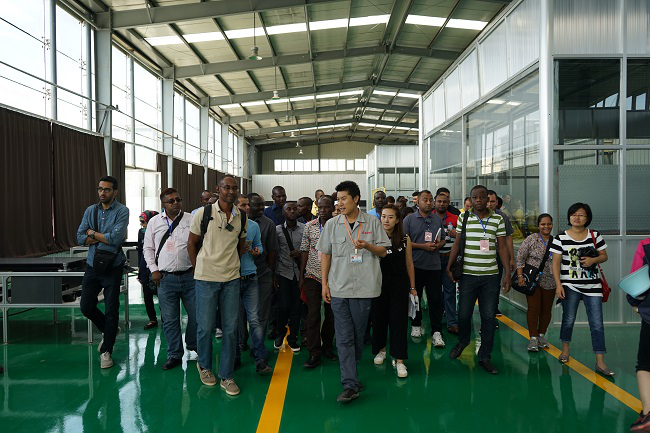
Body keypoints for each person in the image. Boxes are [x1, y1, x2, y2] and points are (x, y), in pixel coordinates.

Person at [317, 180, 390, 403]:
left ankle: (352, 376)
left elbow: (383, 251)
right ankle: (349, 384)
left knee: (358, 337)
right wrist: (324, 284)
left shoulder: (372, 222)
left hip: (365, 288)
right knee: (344, 337)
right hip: (339, 288)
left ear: (356, 199)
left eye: (343, 199)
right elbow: (325, 254)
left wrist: (367, 245)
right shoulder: (332, 224)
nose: (339, 203)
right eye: (338, 200)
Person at [188, 175, 248, 395]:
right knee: (205, 327)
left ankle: (227, 375)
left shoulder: (242, 216)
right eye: (226, 187)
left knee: (231, 329)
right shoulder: (203, 214)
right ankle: (204, 366)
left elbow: (240, 245)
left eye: (234, 188)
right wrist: (198, 268)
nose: (231, 191)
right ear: (218, 189)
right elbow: (191, 243)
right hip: (206, 278)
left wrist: (232, 266)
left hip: (231, 278)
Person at [447, 185, 511, 375]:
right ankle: (463, 341)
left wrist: (508, 273)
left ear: (488, 199)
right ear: (471, 199)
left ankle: (485, 356)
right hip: (468, 275)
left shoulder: (498, 219)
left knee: (488, 317)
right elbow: (457, 243)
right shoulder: (464, 217)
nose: (478, 200)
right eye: (475, 197)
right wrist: (449, 267)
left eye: (482, 197)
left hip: (490, 276)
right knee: (463, 314)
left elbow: (502, 248)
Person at [550, 202, 613, 376]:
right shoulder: (560, 238)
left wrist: (593, 260)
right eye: (573, 214)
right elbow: (555, 263)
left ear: (587, 218)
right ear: (569, 217)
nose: (576, 218)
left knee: (597, 324)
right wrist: (558, 285)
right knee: (568, 320)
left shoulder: (594, 235)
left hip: (593, 285)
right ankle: (565, 350)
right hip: (570, 285)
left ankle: (600, 362)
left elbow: (604, 256)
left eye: (581, 215)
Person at [77, 175, 130, 369]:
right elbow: (79, 237)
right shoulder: (90, 210)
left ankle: (107, 350)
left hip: (112, 267)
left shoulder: (122, 211)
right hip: (92, 266)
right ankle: (110, 331)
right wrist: (102, 237)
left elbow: (115, 239)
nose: (102, 193)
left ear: (114, 192)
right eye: (100, 189)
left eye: (107, 189)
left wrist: (92, 233)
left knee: (111, 309)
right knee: (86, 306)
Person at [143, 188, 197, 370]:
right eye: (171, 201)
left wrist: (197, 266)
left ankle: (192, 343)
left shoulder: (191, 219)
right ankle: (174, 354)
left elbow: (199, 244)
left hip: (190, 277)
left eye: (178, 199)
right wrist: (154, 270)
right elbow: (148, 248)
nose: (175, 203)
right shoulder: (154, 222)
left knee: (197, 315)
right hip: (165, 278)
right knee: (170, 320)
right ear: (163, 204)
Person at [372, 204, 416, 378]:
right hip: (378, 285)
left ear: (397, 220)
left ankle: (399, 360)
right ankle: (381, 350)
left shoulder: (405, 239)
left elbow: (409, 264)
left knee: (399, 321)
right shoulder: (375, 238)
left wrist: (412, 287)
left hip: (399, 285)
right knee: (379, 318)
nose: (386, 220)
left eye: (390, 217)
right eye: (383, 216)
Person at [234, 194, 273, 374]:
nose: (248, 207)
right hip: (231, 278)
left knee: (255, 319)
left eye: (248, 205)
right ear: (235, 207)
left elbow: (260, 245)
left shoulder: (253, 226)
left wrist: (257, 251)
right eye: (243, 205)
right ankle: (234, 356)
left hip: (251, 276)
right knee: (233, 321)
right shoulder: (226, 226)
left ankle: (260, 358)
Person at [403, 190, 446, 346]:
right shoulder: (409, 220)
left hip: (434, 267)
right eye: (425, 200)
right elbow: (404, 242)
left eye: (430, 200)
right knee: (416, 298)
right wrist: (423, 246)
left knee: (435, 300)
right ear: (418, 202)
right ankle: (416, 324)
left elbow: (443, 240)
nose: (428, 203)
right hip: (415, 266)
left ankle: (436, 331)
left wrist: (437, 245)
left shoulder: (437, 219)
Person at [299, 195, 337, 368]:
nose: (323, 210)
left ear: (332, 208)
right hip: (313, 275)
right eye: (320, 207)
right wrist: (302, 276)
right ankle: (314, 352)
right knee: (313, 314)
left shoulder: (338, 225)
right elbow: (304, 251)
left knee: (331, 314)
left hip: (334, 276)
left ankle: (327, 346)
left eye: (326, 207)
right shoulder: (310, 226)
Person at [515, 214, 555, 352]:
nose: (546, 226)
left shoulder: (556, 241)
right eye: (543, 224)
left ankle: (542, 336)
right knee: (534, 308)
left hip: (550, 280)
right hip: (532, 280)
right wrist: (520, 276)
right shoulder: (531, 239)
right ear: (538, 225)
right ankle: (533, 338)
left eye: (549, 224)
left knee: (546, 309)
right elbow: (520, 258)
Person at [274, 202, 305, 352]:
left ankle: (293, 338)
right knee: (283, 306)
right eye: (288, 209)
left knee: (296, 308)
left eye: (295, 209)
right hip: (283, 272)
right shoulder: (277, 230)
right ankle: (280, 333)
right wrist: (274, 276)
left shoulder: (304, 229)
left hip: (299, 274)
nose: (292, 211)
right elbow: (274, 252)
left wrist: (300, 253)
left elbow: (309, 250)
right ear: (283, 212)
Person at [247, 194, 279, 341]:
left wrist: (270, 273)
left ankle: (258, 344)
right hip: (240, 274)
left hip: (262, 272)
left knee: (261, 312)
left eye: (262, 204)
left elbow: (272, 251)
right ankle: (241, 341)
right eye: (257, 205)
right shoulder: (238, 223)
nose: (261, 208)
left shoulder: (268, 224)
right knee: (240, 312)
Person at [628, 238, 650, 432]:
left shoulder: (646, 244)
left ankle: (648, 413)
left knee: (645, 365)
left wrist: (636, 304)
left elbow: (637, 281)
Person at [487, 190, 515, 317]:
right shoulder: (475, 216)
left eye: (492, 201)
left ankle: (493, 308)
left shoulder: (502, 217)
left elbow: (508, 238)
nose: (489, 204)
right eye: (487, 201)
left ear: (497, 202)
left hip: (497, 255)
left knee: (495, 283)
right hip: (481, 256)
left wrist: (511, 259)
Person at [434, 193, 459, 335]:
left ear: (448, 203)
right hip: (433, 260)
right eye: (439, 201)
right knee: (435, 293)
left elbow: (461, 238)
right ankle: (436, 322)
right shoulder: (430, 218)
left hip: (449, 259)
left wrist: (456, 234)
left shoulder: (455, 218)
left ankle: (452, 323)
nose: (441, 204)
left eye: (444, 201)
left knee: (450, 291)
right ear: (434, 202)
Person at [137, 210, 159, 330]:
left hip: (158, 267)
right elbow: (140, 250)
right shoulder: (141, 232)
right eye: (140, 222)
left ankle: (166, 319)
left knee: (161, 294)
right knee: (147, 295)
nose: (141, 224)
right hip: (145, 267)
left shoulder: (159, 231)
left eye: (143, 221)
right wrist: (140, 270)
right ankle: (152, 319)